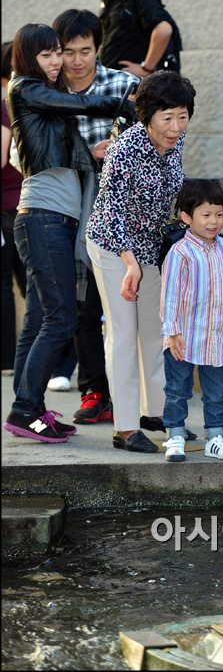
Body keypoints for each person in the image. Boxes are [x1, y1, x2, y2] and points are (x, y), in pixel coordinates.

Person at [3, 23, 132, 444]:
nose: (57, 61)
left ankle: (31, 408)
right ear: (28, 58)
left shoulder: (44, 96)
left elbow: (62, 150)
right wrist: (126, 101)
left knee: (46, 318)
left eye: (58, 52)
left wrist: (93, 153)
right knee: (61, 319)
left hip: (54, 218)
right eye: (48, 54)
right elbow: (82, 103)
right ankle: (25, 410)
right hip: (43, 218)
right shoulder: (26, 88)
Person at [86, 70, 196, 453]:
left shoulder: (175, 141)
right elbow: (111, 211)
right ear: (147, 115)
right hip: (112, 245)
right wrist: (129, 263)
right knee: (122, 333)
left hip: (151, 247)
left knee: (154, 330)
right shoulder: (124, 149)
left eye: (182, 116)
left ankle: (157, 413)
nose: (176, 127)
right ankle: (126, 427)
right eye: (167, 118)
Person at [51, 8, 139, 423]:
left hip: (123, 213)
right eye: (68, 52)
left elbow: (153, 142)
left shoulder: (124, 85)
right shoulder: (45, 90)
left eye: (84, 51)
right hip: (69, 209)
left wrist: (116, 154)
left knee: (129, 308)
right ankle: (94, 392)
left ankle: (136, 394)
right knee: (82, 306)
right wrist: (86, 155)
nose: (76, 61)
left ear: (97, 48)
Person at [160, 179, 223, 463]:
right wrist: (172, 332)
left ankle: (216, 436)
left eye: (219, 214)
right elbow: (170, 295)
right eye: (206, 215)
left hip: (217, 335)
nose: (214, 221)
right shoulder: (180, 252)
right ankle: (175, 434)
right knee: (177, 389)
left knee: (217, 391)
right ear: (186, 217)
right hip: (184, 336)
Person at [1, 41, 26, 374]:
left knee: (4, 283)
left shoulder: (6, 105)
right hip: (24, 204)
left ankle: (7, 359)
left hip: (8, 207)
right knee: (32, 286)